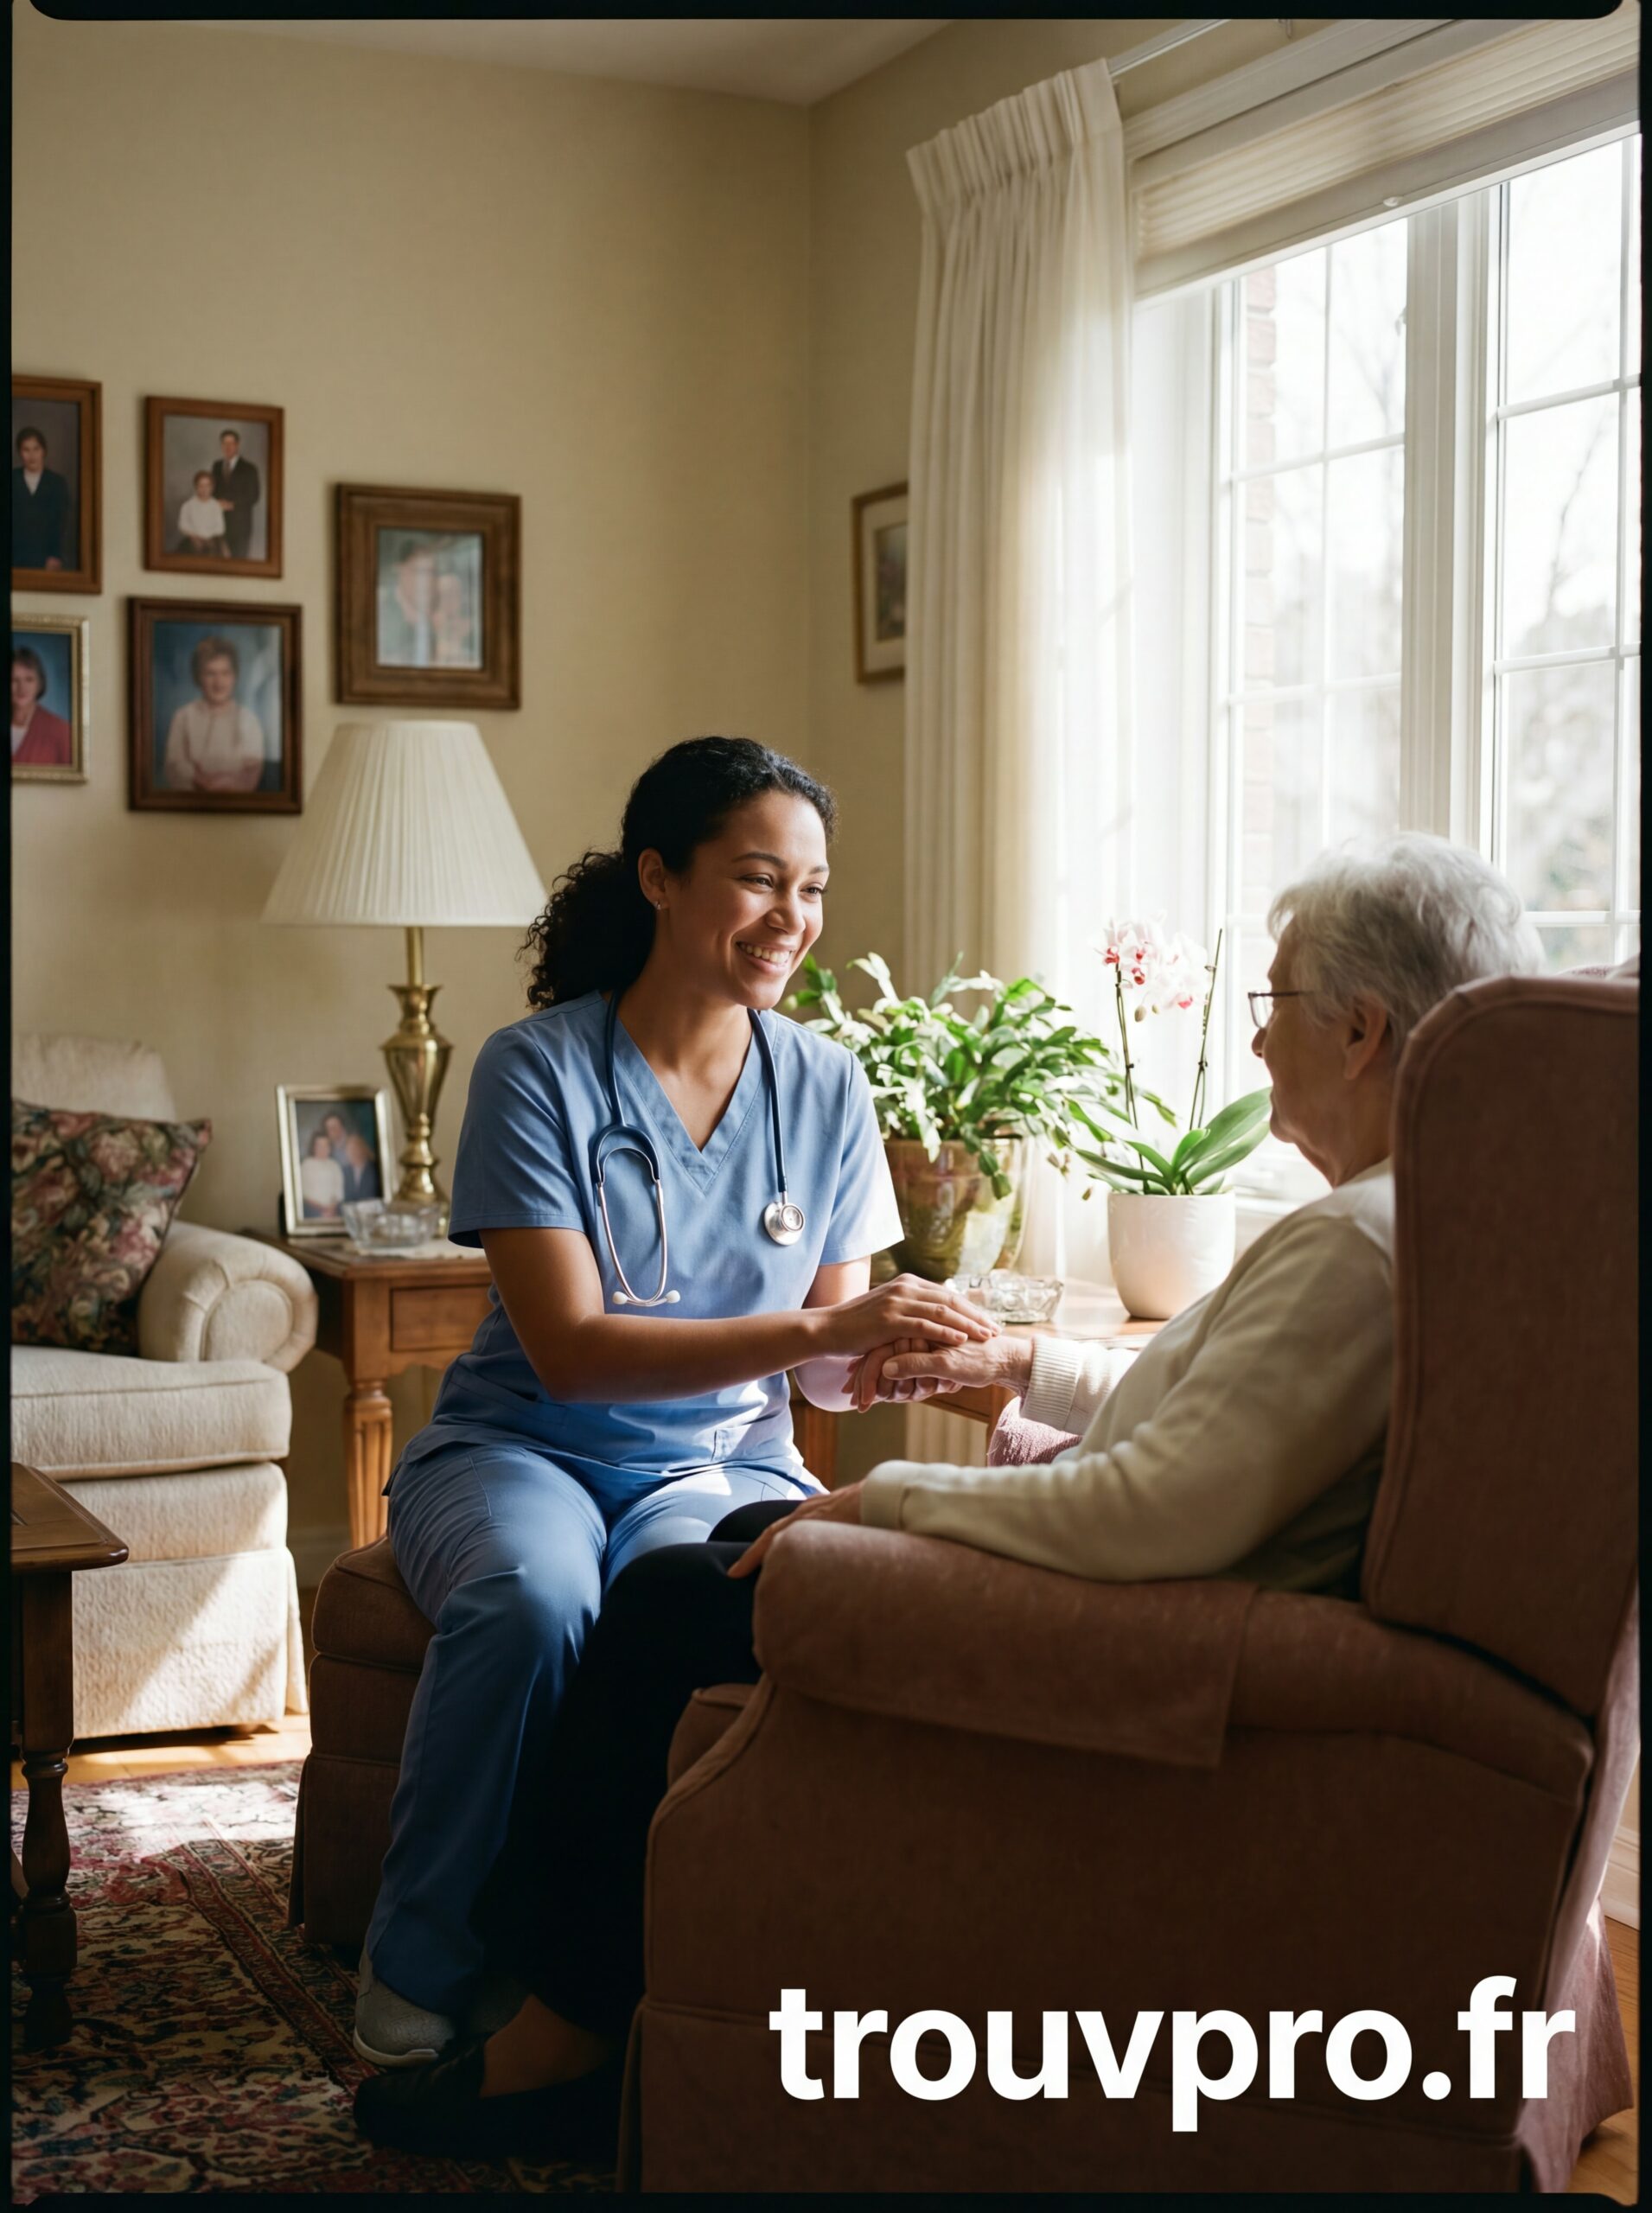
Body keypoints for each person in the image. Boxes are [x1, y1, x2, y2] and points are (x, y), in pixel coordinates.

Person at [354, 832, 1547, 2161]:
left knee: (661, 1604)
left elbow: (1154, 1514)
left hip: (1105, 1621)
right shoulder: (1405, 1219)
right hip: (1120, 1589)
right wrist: (1018, 1365)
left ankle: (560, 2036)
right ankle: (594, 1981)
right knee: (715, 1555)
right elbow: (1210, 1414)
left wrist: (880, 1508)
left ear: (1363, 1029)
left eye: (1271, 1007)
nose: (1255, 1044)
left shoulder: (1343, 1244)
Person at [350, 735, 998, 2078]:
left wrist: (898, 1360)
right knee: (534, 1603)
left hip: (712, 1465)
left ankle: (600, 1977)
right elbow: (574, 1352)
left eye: (811, 891)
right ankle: (414, 1963)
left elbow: (820, 1375)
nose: (792, 922)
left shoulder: (822, 1083)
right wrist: (829, 1328)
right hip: (521, 1445)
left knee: (694, 1610)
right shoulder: (535, 1070)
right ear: (657, 876)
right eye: (759, 881)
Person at [161, 635, 266, 794]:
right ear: (198, 677)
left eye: (225, 673)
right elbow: (174, 766)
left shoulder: (248, 720)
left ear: (234, 676)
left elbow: (251, 775)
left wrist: (224, 783)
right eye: (210, 674)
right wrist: (199, 780)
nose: (219, 682)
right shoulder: (183, 716)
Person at [11, 427, 73, 571]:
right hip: (13, 556)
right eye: (26, 450)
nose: (31, 455)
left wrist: (55, 555)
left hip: (45, 557)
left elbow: (61, 523)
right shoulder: (11, 479)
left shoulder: (57, 483)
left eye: (36, 449)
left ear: (43, 451)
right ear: (20, 453)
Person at [376, 541, 442, 667]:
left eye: (432, 572)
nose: (428, 581)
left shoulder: (430, 614)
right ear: (400, 570)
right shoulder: (381, 612)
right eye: (420, 572)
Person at [10, 646, 73, 768]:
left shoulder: (62, 731)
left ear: (40, 683)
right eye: (14, 680)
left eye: (29, 679)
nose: (22, 687)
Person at [211, 428, 260, 561]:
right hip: (218, 523)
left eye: (231, 444)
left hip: (240, 525)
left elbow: (254, 496)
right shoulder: (216, 466)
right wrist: (217, 502)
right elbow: (212, 491)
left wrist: (232, 505)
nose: (228, 447)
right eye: (225, 444)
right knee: (218, 563)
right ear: (221, 446)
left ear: (237, 445)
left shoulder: (249, 468)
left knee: (239, 564)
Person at [177, 469, 228, 557]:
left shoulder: (216, 505)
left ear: (212, 487)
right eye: (201, 486)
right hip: (193, 540)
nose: (204, 489)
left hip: (212, 541)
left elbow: (220, 528)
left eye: (207, 486)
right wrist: (195, 536)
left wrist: (208, 538)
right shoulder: (188, 505)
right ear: (196, 487)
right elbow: (183, 525)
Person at [300, 1129, 346, 1220]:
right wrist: (322, 1209)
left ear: (330, 1148)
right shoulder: (306, 1164)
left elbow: (338, 1192)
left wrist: (332, 1209)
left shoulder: (334, 1165)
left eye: (326, 1145)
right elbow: (304, 1193)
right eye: (319, 1146)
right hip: (312, 1211)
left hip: (333, 1212)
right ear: (314, 1147)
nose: (323, 1149)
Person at [341, 1131, 379, 1203]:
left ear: (362, 1149)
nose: (352, 1152)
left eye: (355, 1148)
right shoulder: (344, 1171)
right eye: (349, 1149)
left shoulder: (374, 1169)